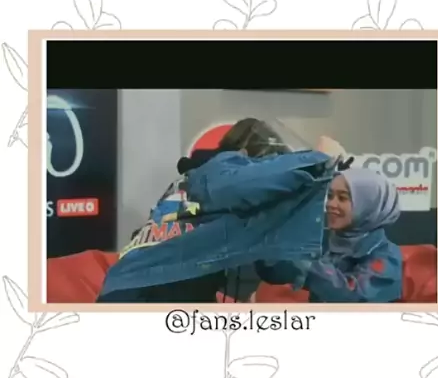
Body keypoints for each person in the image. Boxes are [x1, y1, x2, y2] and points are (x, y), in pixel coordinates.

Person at [97, 117, 325, 303]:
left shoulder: (195, 182)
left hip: (143, 283)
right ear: (244, 154)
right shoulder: (222, 168)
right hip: (153, 287)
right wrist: (316, 161)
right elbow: (241, 185)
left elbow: (275, 267)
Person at [255, 167, 403, 303]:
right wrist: (266, 244)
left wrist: (307, 266)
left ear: (368, 206)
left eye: (342, 198)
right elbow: (277, 273)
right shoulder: (327, 245)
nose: (331, 204)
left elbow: (356, 298)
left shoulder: (386, 256)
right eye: (330, 196)